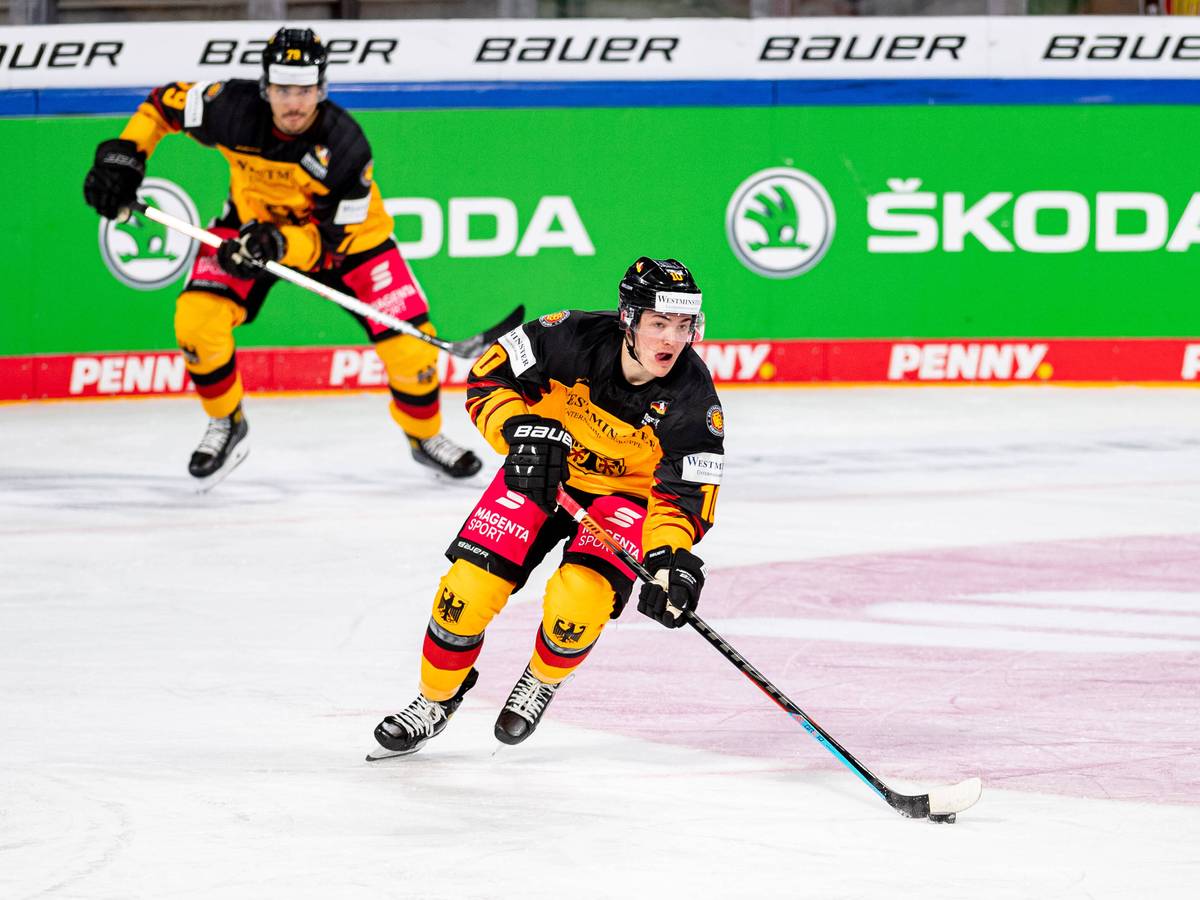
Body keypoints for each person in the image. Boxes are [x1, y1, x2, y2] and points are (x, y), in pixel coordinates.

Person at [82, 26, 481, 486]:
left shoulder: (346, 147)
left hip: (350, 245)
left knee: (413, 351)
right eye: (283, 89)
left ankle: (425, 438)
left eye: (305, 90)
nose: (294, 103)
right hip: (248, 227)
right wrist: (124, 157)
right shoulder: (228, 108)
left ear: (321, 89)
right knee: (196, 320)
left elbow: (331, 242)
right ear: (265, 86)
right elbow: (159, 106)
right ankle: (226, 421)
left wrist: (278, 244)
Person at [369, 256, 725, 758]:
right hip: (542, 469)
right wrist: (518, 431)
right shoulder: (568, 335)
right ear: (628, 319)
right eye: (659, 324)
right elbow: (490, 373)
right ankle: (435, 699)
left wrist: (669, 560)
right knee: (466, 591)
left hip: (624, 496)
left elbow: (685, 494)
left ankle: (541, 679)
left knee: (580, 599)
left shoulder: (694, 398)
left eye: (684, 325)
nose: (672, 339)